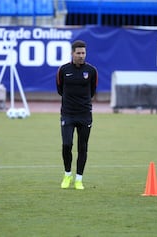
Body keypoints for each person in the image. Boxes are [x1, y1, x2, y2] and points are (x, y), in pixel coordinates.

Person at [56, 40, 98, 190]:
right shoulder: (63, 70)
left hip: (85, 114)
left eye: (83, 53)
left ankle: (79, 178)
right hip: (68, 114)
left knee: (83, 147)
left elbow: (93, 90)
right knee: (67, 145)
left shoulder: (91, 71)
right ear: (72, 53)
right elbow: (60, 89)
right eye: (78, 53)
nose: (81, 56)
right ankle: (67, 174)